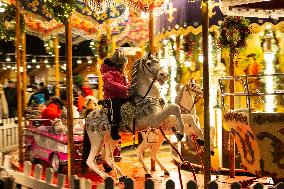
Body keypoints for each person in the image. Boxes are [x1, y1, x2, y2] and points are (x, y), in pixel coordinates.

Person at [101, 49, 129, 140]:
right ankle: (114, 128)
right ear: (120, 65)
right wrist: (125, 88)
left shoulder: (122, 74)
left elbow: (126, 84)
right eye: (124, 65)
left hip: (122, 96)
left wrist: (130, 87)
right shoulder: (107, 74)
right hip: (112, 97)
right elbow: (111, 85)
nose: (125, 67)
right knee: (115, 106)